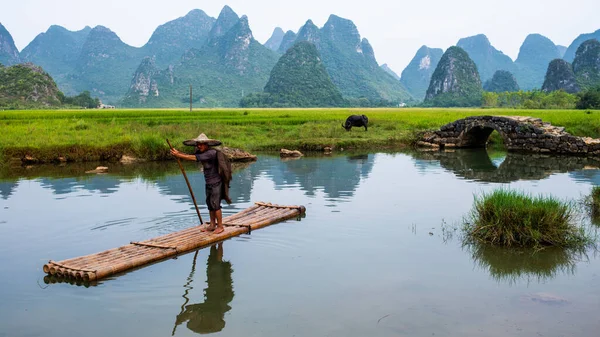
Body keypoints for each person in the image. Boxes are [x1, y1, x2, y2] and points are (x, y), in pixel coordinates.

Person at [170, 133, 232, 234]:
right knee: (210, 204)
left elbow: (194, 158)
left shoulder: (211, 153)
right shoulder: (202, 153)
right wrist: (178, 153)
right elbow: (194, 156)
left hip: (216, 183)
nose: (199, 146)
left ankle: (220, 226)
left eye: (202, 144)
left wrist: (178, 155)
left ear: (207, 144)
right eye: (198, 144)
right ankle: (212, 225)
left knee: (216, 205)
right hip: (208, 183)